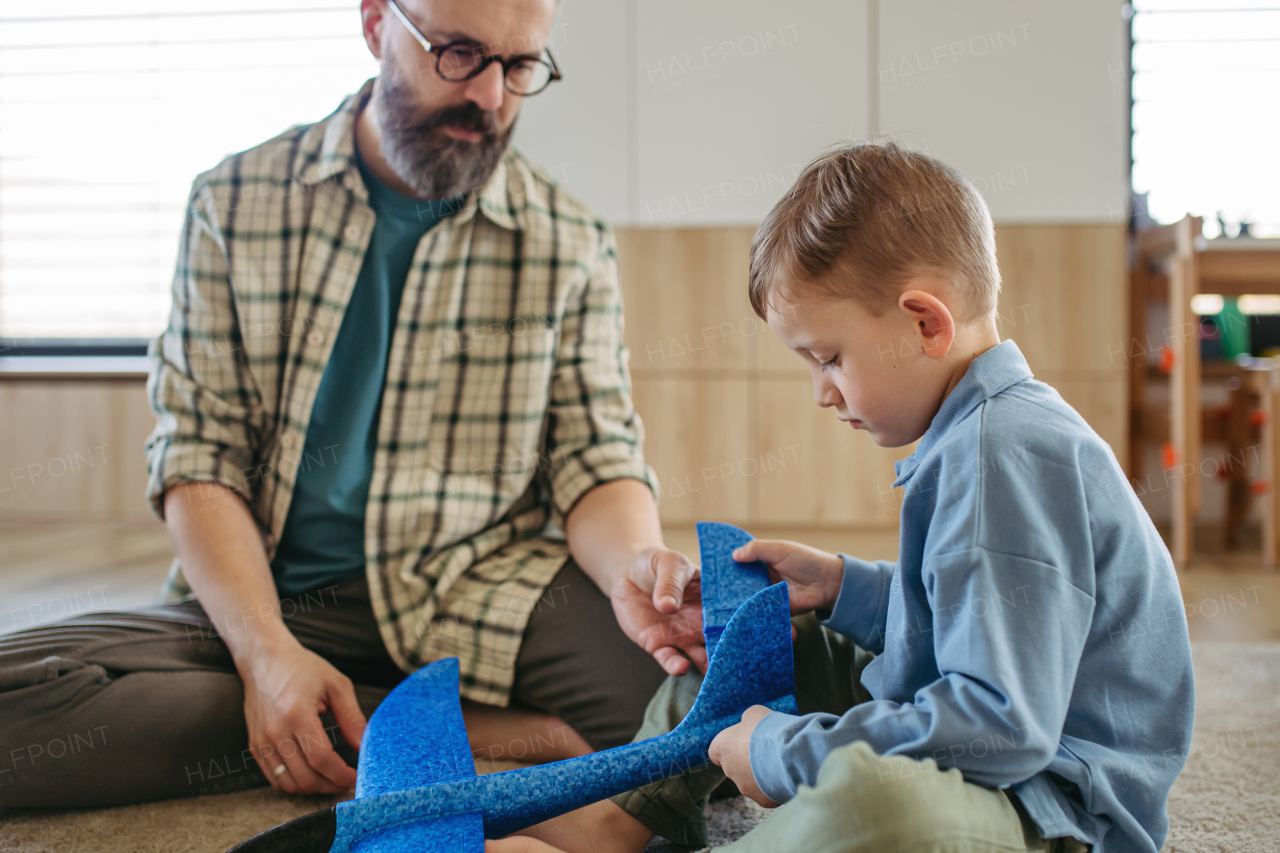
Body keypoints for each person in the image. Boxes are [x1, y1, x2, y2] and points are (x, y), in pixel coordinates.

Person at [0, 0, 707, 809]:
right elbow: (200, 460)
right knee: (18, 701)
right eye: (460, 54)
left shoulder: (570, 240)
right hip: (272, 598)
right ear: (376, 25)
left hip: (479, 590)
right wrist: (264, 655)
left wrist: (631, 571)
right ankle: (451, 728)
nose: (490, 97)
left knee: (694, 697)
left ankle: (319, 726)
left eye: (519, 67)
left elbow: (597, 460)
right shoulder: (234, 204)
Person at [494, 142, 1195, 853]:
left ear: (926, 322)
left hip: (1049, 808)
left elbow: (998, 724)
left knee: (870, 806)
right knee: (765, 630)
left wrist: (781, 749)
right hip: (1000, 757)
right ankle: (624, 815)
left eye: (829, 358)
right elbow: (968, 621)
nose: (822, 391)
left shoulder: (1001, 456)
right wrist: (841, 586)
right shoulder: (981, 431)